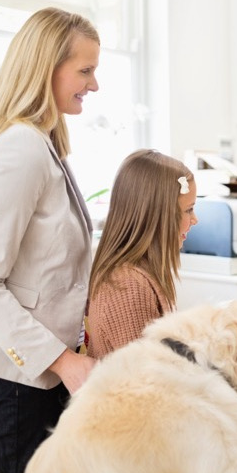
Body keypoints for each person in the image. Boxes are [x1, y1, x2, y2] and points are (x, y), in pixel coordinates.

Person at [0, 8, 100, 473]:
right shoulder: (20, 150)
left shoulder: (42, 143)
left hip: (31, 363)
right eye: (85, 71)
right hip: (14, 370)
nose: (94, 85)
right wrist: (64, 361)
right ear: (45, 68)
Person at [86, 149, 197, 359]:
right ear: (159, 215)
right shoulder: (128, 286)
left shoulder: (141, 275)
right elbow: (150, 381)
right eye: (189, 210)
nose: (195, 219)